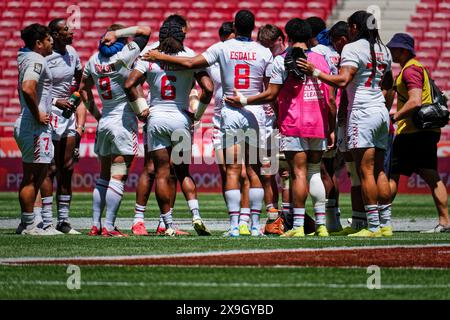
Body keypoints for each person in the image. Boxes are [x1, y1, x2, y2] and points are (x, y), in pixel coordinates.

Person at [142, 10, 273, 237]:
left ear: (234, 26)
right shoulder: (264, 52)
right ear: (253, 28)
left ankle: (233, 227)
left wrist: (161, 57)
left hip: (231, 111)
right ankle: (253, 226)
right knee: (254, 170)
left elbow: (192, 62)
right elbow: (271, 91)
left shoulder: (222, 47)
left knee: (232, 171)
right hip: (255, 112)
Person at [225, 18, 333, 237]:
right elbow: (330, 97)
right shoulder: (322, 59)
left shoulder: (281, 60)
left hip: (295, 121)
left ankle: (299, 227)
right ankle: (322, 226)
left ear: (289, 38)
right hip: (319, 121)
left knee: (298, 173)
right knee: (314, 173)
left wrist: (244, 101)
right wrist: (330, 127)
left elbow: (271, 95)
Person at [298, 10, 394, 237]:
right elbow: (388, 84)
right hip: (380, 111)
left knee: (365, 171)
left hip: (362, 112)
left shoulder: (353, 48)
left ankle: (372, 227)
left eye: (350, 26)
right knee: (379, 170)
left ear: (355, 27)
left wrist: (316, 72)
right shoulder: (384, 49)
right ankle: (386, 224)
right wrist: (382, 107)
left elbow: (342, 81)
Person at [125, 21, 214, 236]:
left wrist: (140, 109)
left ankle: (166, 225)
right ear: (182, 35)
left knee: (160, 172)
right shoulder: (191, 55)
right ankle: (190, 217)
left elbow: (129, 84)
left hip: (156, 118)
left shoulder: (149, 53)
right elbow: (208, 88)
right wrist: (198, 114)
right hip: (181, 119)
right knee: (181, 171)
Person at [80, 24, 151, 237]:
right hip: (123, 121)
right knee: (118, 176)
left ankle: (95, 224)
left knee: (103, 176)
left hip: (105, 120)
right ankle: (109, 226)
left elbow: (83, 88)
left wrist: (96, 114)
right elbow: (146, 31)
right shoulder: (124, 54)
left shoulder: (93, 60)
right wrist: (118, 34)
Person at [387, 33, 450, 233]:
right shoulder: (418, 67)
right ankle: (445, 221)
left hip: (412, 132)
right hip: (426, 131)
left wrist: (395, 117)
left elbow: (415, 101)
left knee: (392, 175)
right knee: (431, 175)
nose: (391, 51)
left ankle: (380, 220)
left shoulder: (409, 71)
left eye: (394, 48)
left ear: (404, 50)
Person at [35, 18, 85, 235]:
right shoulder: (45, 57)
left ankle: (63, 220)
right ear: (55, 34)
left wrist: (74, 99)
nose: (71, 31)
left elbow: (80, 81)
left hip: (68, 115)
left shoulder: (72, 53)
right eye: (66, 29)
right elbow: (35, 88)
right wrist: (56, 102)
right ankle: (46, 220)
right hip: (49, 112)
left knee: (67, 167)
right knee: (49, 168)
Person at [206, 22, 253, 236]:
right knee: (226, 172)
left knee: (242, 172)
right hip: (218, 120)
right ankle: (233, 218)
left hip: (241, 116)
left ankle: (245, 219)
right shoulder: (215, 57)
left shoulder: (240, 54)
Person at [327, 21, 368, 235]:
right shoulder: (371, 50)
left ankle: (365, 222)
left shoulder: (351, 52)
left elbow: (342, 87)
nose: (335, 49)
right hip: (370, 115)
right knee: (363, 171)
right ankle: (366, 221)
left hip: (357, 116)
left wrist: (341, 115)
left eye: (335, 44)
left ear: (342, 40)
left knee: (358, 172)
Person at [14, 23, 55, 235]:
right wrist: (38, 113)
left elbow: (36, 90)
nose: (52, 43)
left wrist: (54, 102)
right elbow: (28, 88)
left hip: (31, 122)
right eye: (49, 40)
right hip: (33, 124)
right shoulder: (36, 60)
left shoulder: (28, 58)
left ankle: (29, 222)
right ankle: (29, 224)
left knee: (38, 175)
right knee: (32, 176)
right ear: (38, 43)